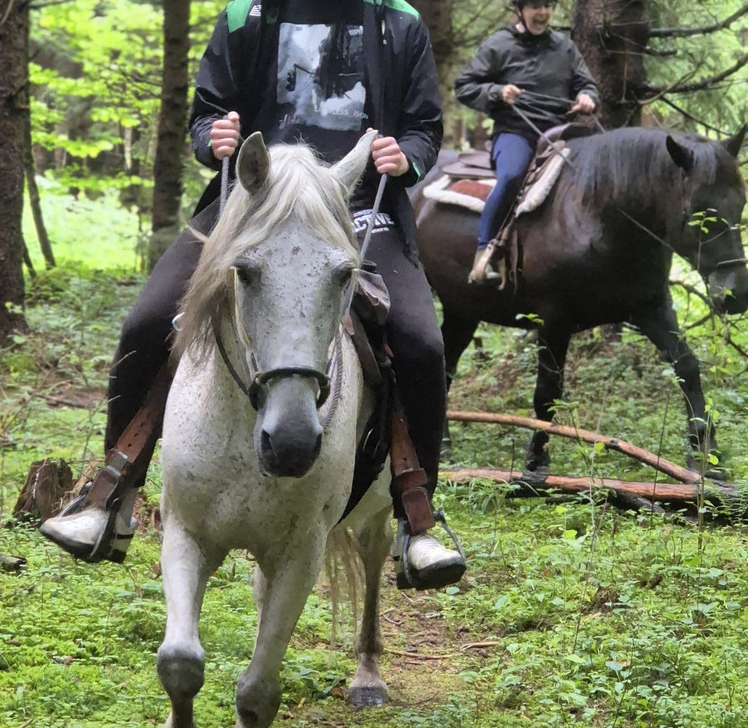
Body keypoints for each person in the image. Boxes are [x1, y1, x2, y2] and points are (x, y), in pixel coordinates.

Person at [41, 0, 466, 590]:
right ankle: (110, 496)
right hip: (252, 208)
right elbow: (207, 115)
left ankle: (416, 522)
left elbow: (424, 126)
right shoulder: (248, 14)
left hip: (361, 210)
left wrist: (408, 158)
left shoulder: (399, 20)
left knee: (420, 343)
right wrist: (211, 136)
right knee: (145, 321)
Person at [455, 0, 599, 284]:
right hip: (515, 131)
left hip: (561, 133)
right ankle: (484, 253)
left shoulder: (565, 47)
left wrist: (587, 97)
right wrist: (497, 92)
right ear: (520, 8)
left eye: (548, 5)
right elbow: (465, 87)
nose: (543, 13)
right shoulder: (498, 44)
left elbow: (586, 84)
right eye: (535, 6)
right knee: (510, 177)